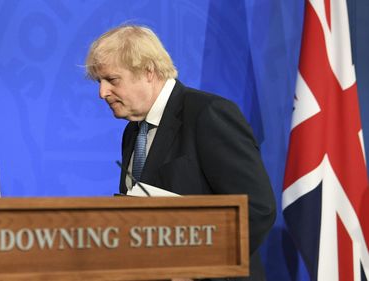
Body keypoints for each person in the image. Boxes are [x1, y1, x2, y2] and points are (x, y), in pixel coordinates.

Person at [85, 25, 276, 281]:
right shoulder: (133, 130)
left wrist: (194, 266)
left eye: (111, 79)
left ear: (148, 71)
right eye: (99, 82)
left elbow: (256, 208)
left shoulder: (207, 114)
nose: (102, 93)